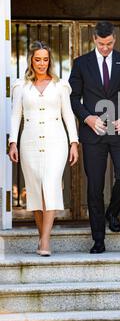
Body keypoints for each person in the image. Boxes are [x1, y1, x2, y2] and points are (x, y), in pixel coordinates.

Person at [69, 21, 120, 254]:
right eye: (101, 44)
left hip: (119, 131)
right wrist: (88, 118)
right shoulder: (80, 64)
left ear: (114, 40)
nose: (105, 48)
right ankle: (98, 239)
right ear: (94, 40)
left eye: (109, 44)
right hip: (93, 132)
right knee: (94, 188)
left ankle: (112, 212)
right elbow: (74, 99)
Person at [9, 41, 79, 256]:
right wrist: (13, 142)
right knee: (36, 191)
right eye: (37, 59)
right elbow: (16, 116)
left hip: (56, 142)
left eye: (45, 59)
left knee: (51, 187)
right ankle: (42, 237)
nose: (41, 63)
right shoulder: (21, 87)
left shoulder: (61, 86)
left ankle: (46, 241)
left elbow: (68, 115)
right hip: (29, 142)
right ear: (31, 60)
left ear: (50, 61)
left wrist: (73, 143)